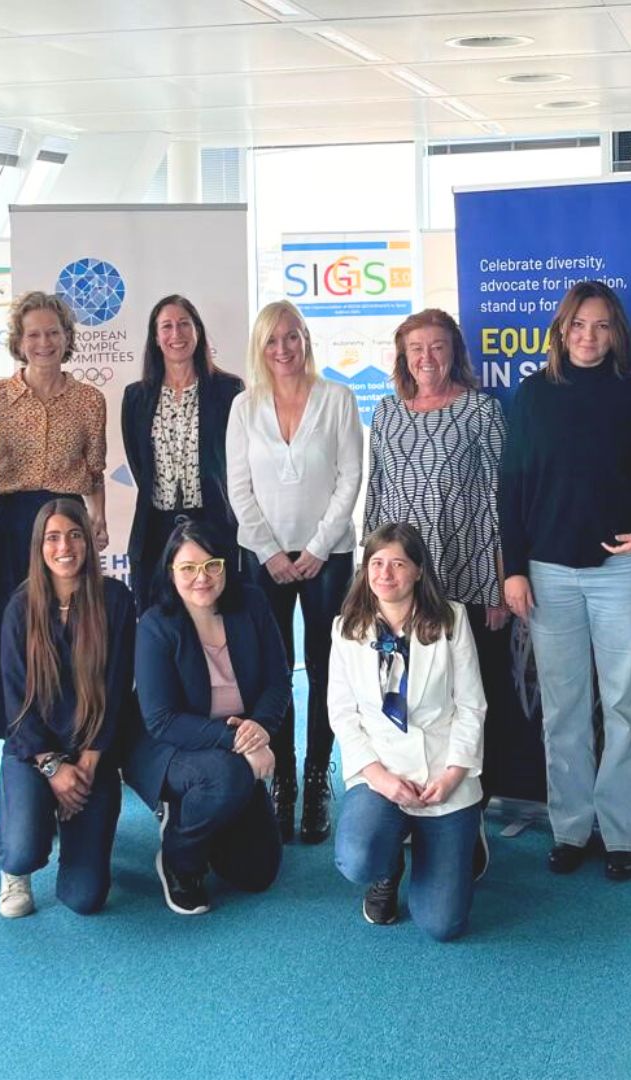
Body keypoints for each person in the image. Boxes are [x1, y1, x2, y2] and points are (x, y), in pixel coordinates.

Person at [501, 280, 631, 882]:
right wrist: (514, 568)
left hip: (622, 570)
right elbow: (512, 488)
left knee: (627, 703)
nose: (589, 337)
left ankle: (625, 835)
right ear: (561, 330)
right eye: (578, 325)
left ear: (616, 332)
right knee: (564, 709)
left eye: (601, 326)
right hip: (549, 573)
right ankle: (572, 828)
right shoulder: (532, 395)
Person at [362, 307, 511, 893]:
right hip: (398, 588)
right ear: (403, 355)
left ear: (455, 353)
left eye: (438, 347)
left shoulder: (481, 411)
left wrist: (501, 581)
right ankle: (405, 812)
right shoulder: (387, 411)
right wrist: (369, 584)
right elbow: (376, 501)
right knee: (404, 697)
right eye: (415, 348)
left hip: (467, 579)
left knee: (469, 700)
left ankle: (466, 812)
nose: (426, 358)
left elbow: (502, 499)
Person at [225, 300, 362, 844]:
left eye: (292, 337)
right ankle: (281, 777)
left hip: (328, 556)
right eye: (272, 340)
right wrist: (271, 552)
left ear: (306, 340)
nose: (283, 349)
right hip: (264, 558)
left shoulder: (337, 398)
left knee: (328, 669)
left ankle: (316, 777)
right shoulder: (244, 407)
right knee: (271, 671)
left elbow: (351, 478)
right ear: (260, 348)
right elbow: (239, 488)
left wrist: (318, 547)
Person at [328, 523, 486, 941]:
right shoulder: (345, 628)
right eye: (376, 563)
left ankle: (468, 836)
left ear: (418, 570)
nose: (385, 574)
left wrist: (454, 773)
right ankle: (388, 867)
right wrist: (378, 777)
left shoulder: (451, 619)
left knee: (442, 925)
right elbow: (342, 714)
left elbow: (472, 706)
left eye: (398, 563)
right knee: (358, 858)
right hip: (380, 772)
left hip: (442, 773)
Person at [126, 520, 286, 915]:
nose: (202, 578)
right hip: (170, 746)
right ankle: (178, 858)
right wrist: (238, 743)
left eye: (212, 565)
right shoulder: (155, 625)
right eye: (188, 568)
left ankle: (196, 811)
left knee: (256, 873)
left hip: (235, 743)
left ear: (226, 567)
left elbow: (277, 682)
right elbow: (161, 719)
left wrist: (260, 729)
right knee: (227, 777)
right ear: (170, 573)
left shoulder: (252, 604)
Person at [0, 292, 108, 737]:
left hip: (69, 524)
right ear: (18, 340)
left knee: (71, 632)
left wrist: (99, 520)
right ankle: (20, 739)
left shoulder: (90, 400)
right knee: (14, 635)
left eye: (53, 332)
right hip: (11, 526)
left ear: (67, 337)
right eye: (34, 334)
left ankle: (74, 729)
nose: (44, 342)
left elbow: (94, 471)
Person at [0, 498, 133, 919]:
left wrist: (88, 764)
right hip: (34, 752)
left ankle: (69, 825)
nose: (64, 547)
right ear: (39, 547)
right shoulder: (20, 607)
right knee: (21, 851)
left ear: (90, 542)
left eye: (75, 535)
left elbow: (118, 687)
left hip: (93, 753)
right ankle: (15, 868)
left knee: (84, 898)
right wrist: (54, 770)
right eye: (52, 537)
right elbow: (16, 702)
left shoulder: (115, 599)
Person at [121, 294, 243, 608]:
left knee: (216, 616)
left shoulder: (228, 391)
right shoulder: (136, 397)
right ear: (156, 338)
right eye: (167, 327)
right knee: (159, 620)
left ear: (198, 332)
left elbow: (235, 459)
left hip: (213, 522)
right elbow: (138, 463)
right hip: (154, 528)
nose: (176, 334)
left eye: (184, 325)